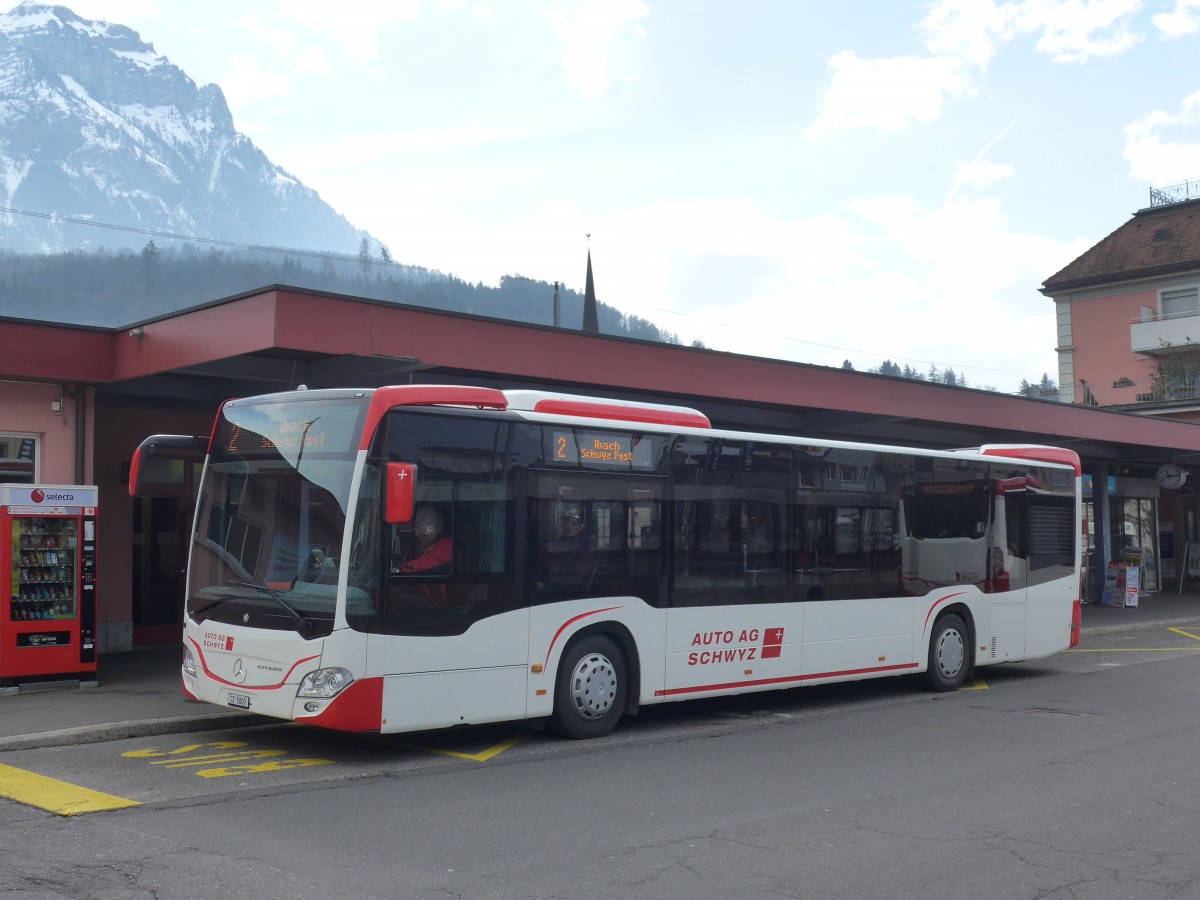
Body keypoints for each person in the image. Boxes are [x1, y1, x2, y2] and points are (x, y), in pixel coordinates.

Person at [398, 506, 453, 575]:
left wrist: (398, 570)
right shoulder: (420, 547)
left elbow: (424, 564)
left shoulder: (448, 546)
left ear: (434, 525)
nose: (416, 524)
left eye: (422, 520)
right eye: (416, 522)